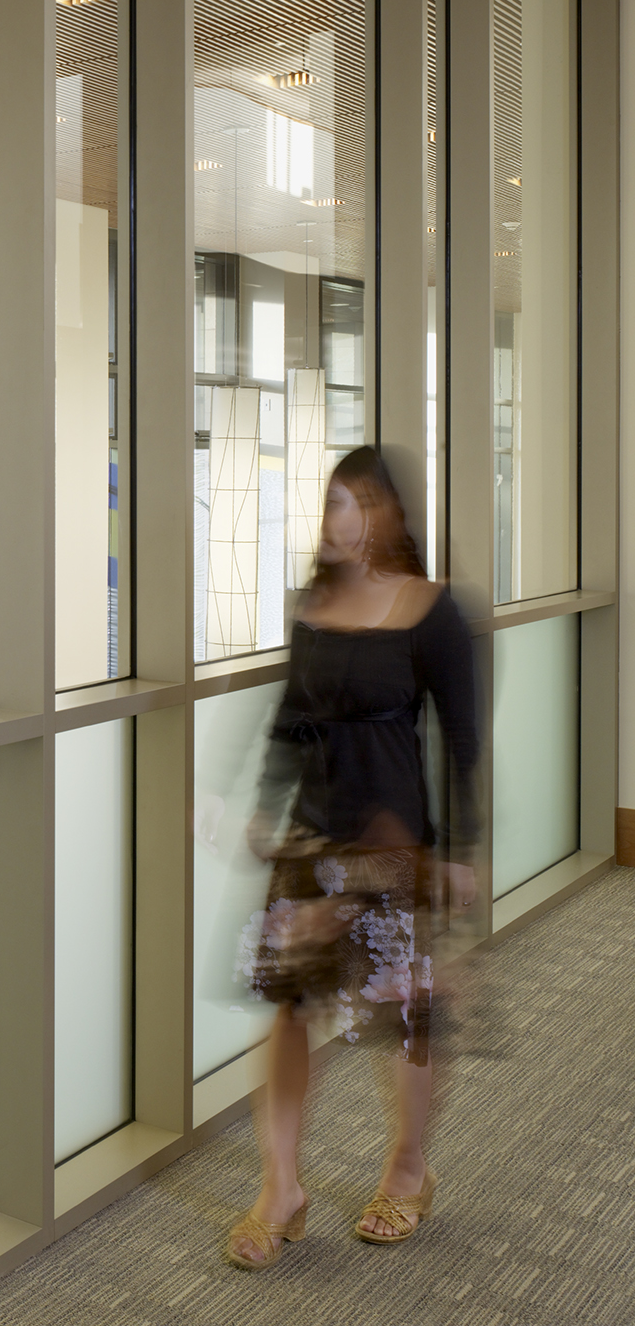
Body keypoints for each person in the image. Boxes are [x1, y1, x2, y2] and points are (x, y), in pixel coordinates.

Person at [225, 445, 479, 1270]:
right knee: (291, 1009)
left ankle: (408, 1171)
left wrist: (463, 848)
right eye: (327, 503)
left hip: (392, 842)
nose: (331, 520)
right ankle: (282, 1190)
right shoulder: (312, 607)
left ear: (382, 516)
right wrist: (266, 806)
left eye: (347, 504)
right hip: (311, 838)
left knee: (401, 1014)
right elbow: (291, 718)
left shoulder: (431, 610)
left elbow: (462, 737)